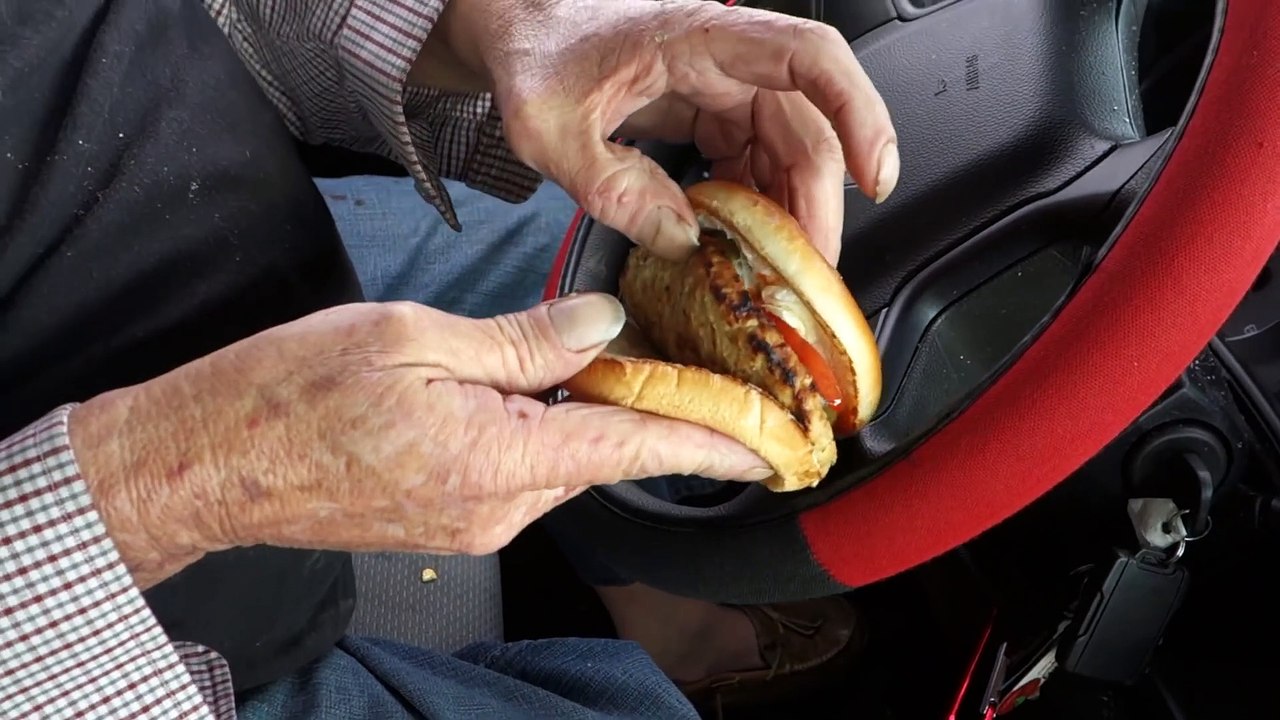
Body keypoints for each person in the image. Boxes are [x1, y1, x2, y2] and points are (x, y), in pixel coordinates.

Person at [0, 0, 899, 716]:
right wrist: (179, 489)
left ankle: (633, 589)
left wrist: (499, 27)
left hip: (214, 217)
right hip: (105, 630)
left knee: (573, 244)